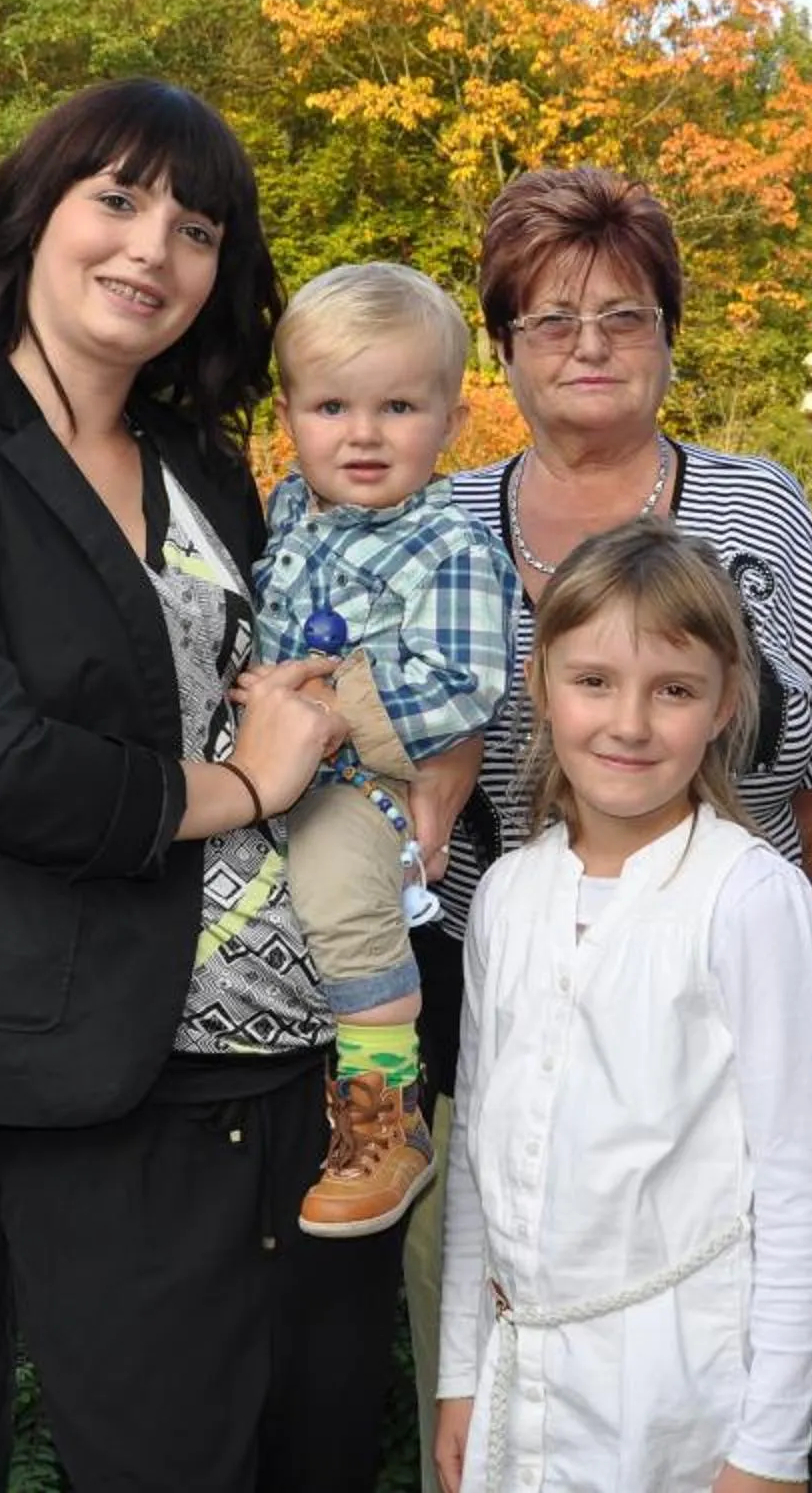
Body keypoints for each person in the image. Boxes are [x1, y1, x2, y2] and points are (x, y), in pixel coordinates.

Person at [0, 78, 403, 1491]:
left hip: (288, 1058)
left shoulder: (205, 461)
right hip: (71, 1071)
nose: (153, 250)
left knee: (314, 1454)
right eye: (120, 201)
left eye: (197, 230)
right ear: (39, 211)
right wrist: (240, 787)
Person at [402, 165, 812, 1467]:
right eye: (552, 320)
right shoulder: (437, 524)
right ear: (504, 348)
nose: (591, 345)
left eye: (625, 315)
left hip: (696, 1028)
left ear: (669, 333)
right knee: (488, 1380)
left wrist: (698, 933)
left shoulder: (755, 510)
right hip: (487, 1007)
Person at [432, 519, 812, 1493]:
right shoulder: (507, 895)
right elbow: (477, 1163)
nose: (629, 724)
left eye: (673, 691)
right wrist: (460, 1376)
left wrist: (769, 1450)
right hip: (519, 1382)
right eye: (594, 681)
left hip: (678, 1396)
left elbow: (796, 1196)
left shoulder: (749, 899)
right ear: (539, 686)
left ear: (725, 703)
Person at [251, 263, 522, 1238]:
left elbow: (465, 682)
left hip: (363, 781)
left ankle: (385, 1121)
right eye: (332, 407)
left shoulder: (449, 545)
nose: (362, 434)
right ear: (289, 415)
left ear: (451, 421)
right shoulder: (293, 508)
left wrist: (331, 711)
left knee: (338, 892)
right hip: (267, 767)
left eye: (398, 407)